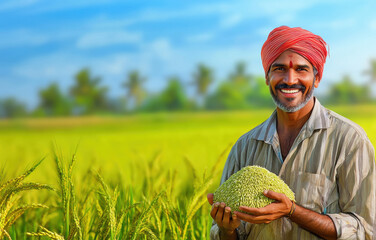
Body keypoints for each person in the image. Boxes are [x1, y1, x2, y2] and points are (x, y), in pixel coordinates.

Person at [207, 26, 376, 240]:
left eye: (301, 69)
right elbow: (222, 234)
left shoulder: (350, 140)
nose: (290, 79)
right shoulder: (245, 147)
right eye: (279, 69)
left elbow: (366, 230)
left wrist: (292, 211)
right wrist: (226, 229)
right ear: (267, 77)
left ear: (316, 78)